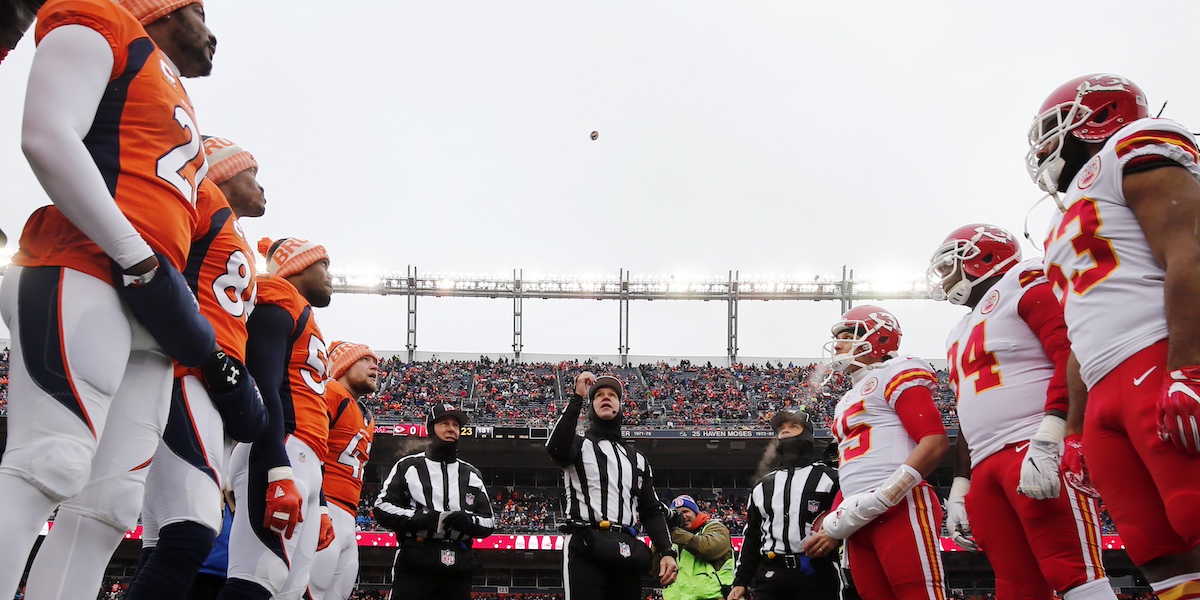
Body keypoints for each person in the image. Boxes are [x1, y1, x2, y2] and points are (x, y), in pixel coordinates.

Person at [0, 0, 218, 596]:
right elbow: (46, 134)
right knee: (48, 462)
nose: (211, 32)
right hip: (86, 263)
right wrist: (136, 255)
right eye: (200, 11)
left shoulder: (173, 87)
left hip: (150, 300)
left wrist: (156, 278)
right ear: (166, 10)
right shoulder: (104, 18)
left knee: (112, 506)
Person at [1028, 73, 1200, 600]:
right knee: (1154, 548)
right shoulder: (1060, 220)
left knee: (1193, 509)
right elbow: (1080, 328)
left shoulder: (1134, 143)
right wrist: (1076, 429)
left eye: (1054, 128)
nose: (1045, 145)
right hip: (1102, 388)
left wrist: (1188, 366)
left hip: (1157, 352)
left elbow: (1189, 249)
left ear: (1097, 114)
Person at [929, 224, 1116, 600]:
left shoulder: (1023, 279)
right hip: (985, 466)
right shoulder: (958, 331)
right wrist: (961, 486)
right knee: (1015, 584)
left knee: (1073, 569)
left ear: (982, 257)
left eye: (951, 263)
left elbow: (1070, 350)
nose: (945, 275)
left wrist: (1052, 435)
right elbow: (967, 410)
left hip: (1032, 443)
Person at [127, 136, 271, 599]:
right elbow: (158, 257)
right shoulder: (202, 195)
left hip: (207, 375)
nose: (262, 185)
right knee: (192, 530)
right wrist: (204, 350)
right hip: (188, 369)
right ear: (226, 171)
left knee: (162, 537)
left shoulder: (234, 230)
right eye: (253, 172)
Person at [218, 237, 336, 600]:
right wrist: (278, 469)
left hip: (304, 456)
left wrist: (322, 502)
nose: (330, 275)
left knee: (289, 588)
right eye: (323, 265)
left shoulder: (302, 310)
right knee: (258, 575)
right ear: (298, 266)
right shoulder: (277, 297)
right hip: (279, 446)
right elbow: (264, 385)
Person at [811, 305, 950, 600]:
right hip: (858, 517)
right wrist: (838, 517)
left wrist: (884, 496)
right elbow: (850, 470)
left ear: (880, 338)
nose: (838, 344)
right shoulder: (846, 398)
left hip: (901, 504)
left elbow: (934, 442)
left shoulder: (896, 370)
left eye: (848, 335)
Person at [546, 371, 679, 600]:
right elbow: (555, 447)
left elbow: (651, 510)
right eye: (598, 395)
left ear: (620, 406)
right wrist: (577, 397)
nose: (606, 397)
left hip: (626, 547)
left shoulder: (637, 459)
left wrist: (667, 552)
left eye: (612, 395)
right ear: (591, 406)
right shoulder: (579, 445)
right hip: (586, 543)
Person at [373, 404, 495, 600]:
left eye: (456, 425)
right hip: (416, 560)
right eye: (444, 423)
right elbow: (381, 507)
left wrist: (468, 521)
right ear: (431, 429)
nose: (451, 429)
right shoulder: (408, 466)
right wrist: (419, 518)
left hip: (459, 565)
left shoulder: (471, 473)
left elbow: (489, 522)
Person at [730, 410, 840, 600]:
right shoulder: (762, 486)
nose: (785, 431)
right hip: (772, 574)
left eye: (793, 426)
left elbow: (847, 518)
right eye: (782, 428)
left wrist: (836, 535)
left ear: (806, 433)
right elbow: (753, 536)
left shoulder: (831, 478)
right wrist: (741, 580)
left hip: (817, 573)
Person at [310, 341, 379, 600]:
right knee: (310, 589)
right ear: (345, 364)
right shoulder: (331, 392)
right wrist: (318, 506)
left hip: (349, 515)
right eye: (365, 359)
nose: (375, 366)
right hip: (324, 505)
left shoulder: (366, 415)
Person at [656, 494, 734, 600]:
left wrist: (674, 532)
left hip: (713, 597)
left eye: (686, 511)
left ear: (696, 512)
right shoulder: (671, 538)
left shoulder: (714, 527)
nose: (683, 516)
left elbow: (708, 548)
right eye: (678, 513)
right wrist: (660, 536)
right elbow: (654, 569)